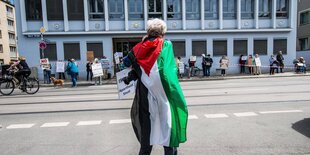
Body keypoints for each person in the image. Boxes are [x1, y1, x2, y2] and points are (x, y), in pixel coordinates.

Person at [123, 18, 188, 155]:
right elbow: (168, 72)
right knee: (168, 131)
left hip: (145, 97)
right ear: (163, 33)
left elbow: (126, 63)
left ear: (148, 32)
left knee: (147, 134)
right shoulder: (166, 45)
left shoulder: (138, 48)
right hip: (164, 96)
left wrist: (142, 44)